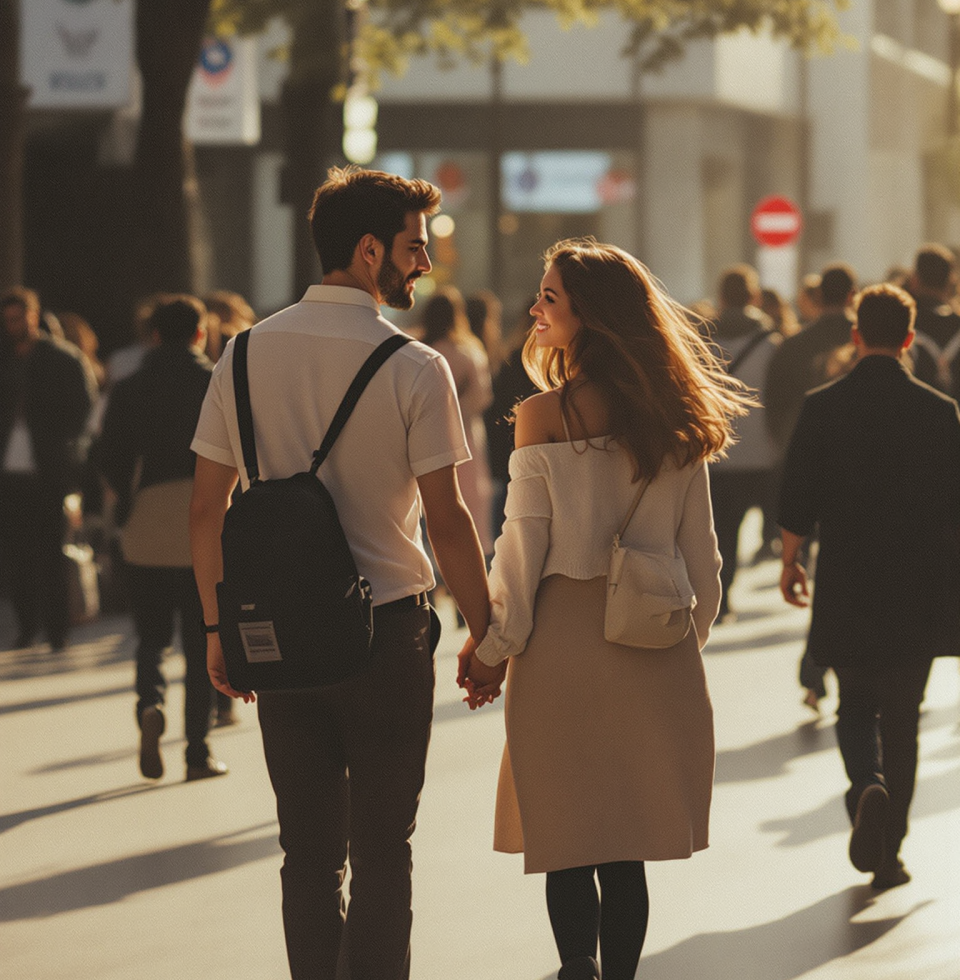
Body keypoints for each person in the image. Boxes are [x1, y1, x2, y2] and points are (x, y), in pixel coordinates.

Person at [189, 166, 490, 980]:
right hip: (386, 632)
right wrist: (488, 633)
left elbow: (206, 508)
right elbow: (450, 517)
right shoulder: (413, 366)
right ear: (368, 252)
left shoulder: (242, 355)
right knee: (384, 847)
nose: (422, 266)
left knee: (307, 852)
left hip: (276, 629)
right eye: (413, 248)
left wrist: (218, 629)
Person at [458, 238, 751, 980]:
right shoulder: (679, 419)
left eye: (550, 297)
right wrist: (681, 642)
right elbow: (703, 559)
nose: (535, 309)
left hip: (561, 643)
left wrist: (492, 647)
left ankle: (576, 967)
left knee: (566, 827)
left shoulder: (543, 415)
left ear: (589, 314)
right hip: (654, 644)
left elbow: (521, 552)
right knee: (627, 844)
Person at [778, 283, 960, 891]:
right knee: (903, 718)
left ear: (856, 334)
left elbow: (797, 495)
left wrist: (791, 559)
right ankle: (892, 852)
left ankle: (866, 788)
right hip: (918, 585)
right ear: (910, 339)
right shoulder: (940, 412)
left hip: (848, 580)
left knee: (853, 705)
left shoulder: (823, 405)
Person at [96, 295, 227, 783]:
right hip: (206, 523)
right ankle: (198, 752)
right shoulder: (215, 382)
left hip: (147, 521)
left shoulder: (128, 387)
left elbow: (107, 455)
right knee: (201, 640)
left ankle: (150, 705)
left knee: (150, 638)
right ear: (199, 333)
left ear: (153, 335)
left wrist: (125, 505)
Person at [766, 262, 858, 709]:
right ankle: (840, 671)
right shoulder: (866, 338)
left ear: (818, 295)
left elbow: (776, 402)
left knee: (828, 575)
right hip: (862, 477)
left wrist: (787, 452)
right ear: (853, 293)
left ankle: (815, 671)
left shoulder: (796, 345)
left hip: (809, 467)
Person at [0, 287, 98, 651]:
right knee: (18, 554)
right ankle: (28, 626)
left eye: (19, 317)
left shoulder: (61, 359)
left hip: (49, 469)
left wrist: (68, 452)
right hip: (10, 474)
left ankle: (57, 629)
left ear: (33, 314)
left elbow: (83, 410)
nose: (13, 326)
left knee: (50, 550)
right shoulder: (6, 360)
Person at [707, 265, 780, 620]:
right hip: (762, 452)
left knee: (721, 532)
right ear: (753, 296)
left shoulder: (702, 341)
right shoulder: (772, 342)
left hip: (718, 453)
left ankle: (722, 596)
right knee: (772, 522)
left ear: (721, 298)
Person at [422, 286, 495, 557]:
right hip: (464, 436)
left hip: (424, 434)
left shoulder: (418, 349)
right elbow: (482, 397)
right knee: (467, 499)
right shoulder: (468, 352)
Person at [904, 243, 960, 394]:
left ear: (915, 279)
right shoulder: (957, 326)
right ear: (950, 282)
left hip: (917, 413)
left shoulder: (902, 325)